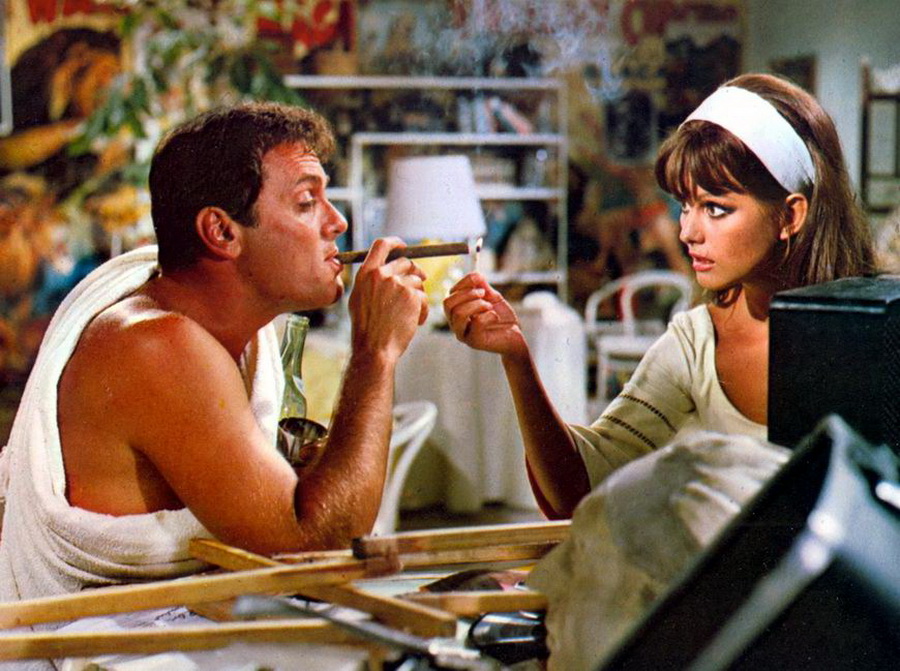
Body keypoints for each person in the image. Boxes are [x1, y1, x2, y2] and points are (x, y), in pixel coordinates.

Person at [0, 101, 430, 603]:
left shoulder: (233, 338)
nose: (336, 222)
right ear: (223, 232)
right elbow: (316, 548)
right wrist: (376, 351)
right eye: (306, 202)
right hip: (95, 638)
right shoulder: (158, 344)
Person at [443, 73, 876, 521]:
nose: (687, 232)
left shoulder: (874, 336)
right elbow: (578, 489)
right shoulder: (697, 342)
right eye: (685, 205)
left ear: (790, 215)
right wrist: (516, 357)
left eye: (715, 208)